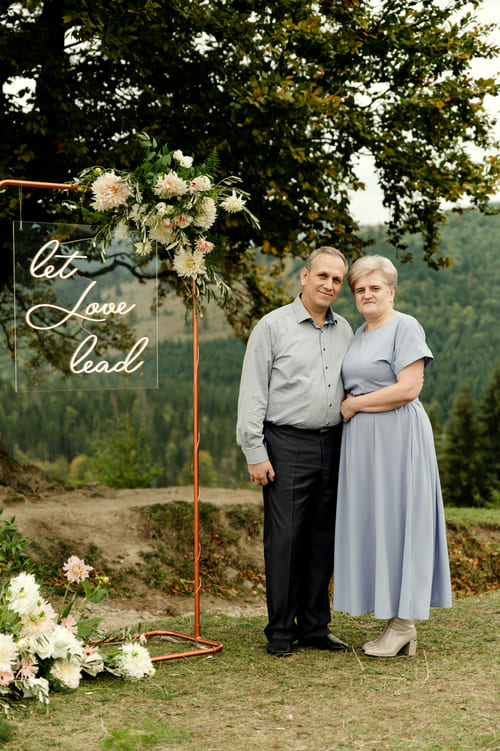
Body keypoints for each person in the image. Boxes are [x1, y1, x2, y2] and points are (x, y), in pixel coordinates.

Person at [333, 255, 452, 657]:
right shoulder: (359, 334)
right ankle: (396, 624)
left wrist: (354, 406)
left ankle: (404, 623)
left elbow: (408, 389)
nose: (366, 295)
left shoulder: (405, 326)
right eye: (359, 289)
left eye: (375, 288)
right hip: (365, 448)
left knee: (402, 521)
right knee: (379, 523)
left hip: (399, 439)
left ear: (392, 290)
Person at [237, 247, 353, 657]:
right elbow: (252, 391)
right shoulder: (272, 327)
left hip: (333, 444)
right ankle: (282, 630)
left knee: (323, 538)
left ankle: (316, 627)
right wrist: (254, 449)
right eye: (323, 276)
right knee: (285, 540)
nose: (329, 285)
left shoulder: (345, 330)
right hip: (284, 444)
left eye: (337, 280)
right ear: (304, 276)